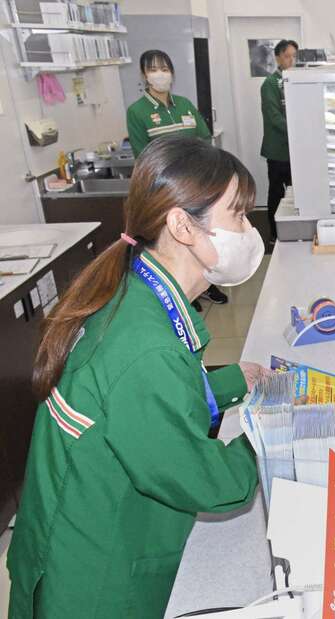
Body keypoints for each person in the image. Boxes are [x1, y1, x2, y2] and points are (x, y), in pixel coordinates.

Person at [6, 136, 269, 618]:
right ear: (182, 226)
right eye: (238, 215)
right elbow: (207, 480)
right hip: (94, 582)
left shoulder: (137, 295)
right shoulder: (146, 348)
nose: (248, 230)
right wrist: (268, 440)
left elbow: (141, 407)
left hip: (68, 542)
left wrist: (234, 381)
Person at [126, 49, 228, 309]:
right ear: (144, 74)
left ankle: (209, 283)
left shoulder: (184, 104)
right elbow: (143, 157)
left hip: (197, 183)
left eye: (164, 68)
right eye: (153, 69)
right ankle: (184, 291)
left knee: (202, 234)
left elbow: (204, 138)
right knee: (175, 240)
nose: (160, 74)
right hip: (169, 188)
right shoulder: (138, 112)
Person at [261, 39, 297, 244]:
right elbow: (274, 117)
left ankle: (293, 229)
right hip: (278, 151)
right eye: (287, 56)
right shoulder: (270, 84)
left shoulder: (296, 79)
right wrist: (299, 131)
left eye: (294, 56)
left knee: (296, 193)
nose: (291, 60)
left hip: (296, 150)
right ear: (277, 58)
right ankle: (274, 234)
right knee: (276, 193)